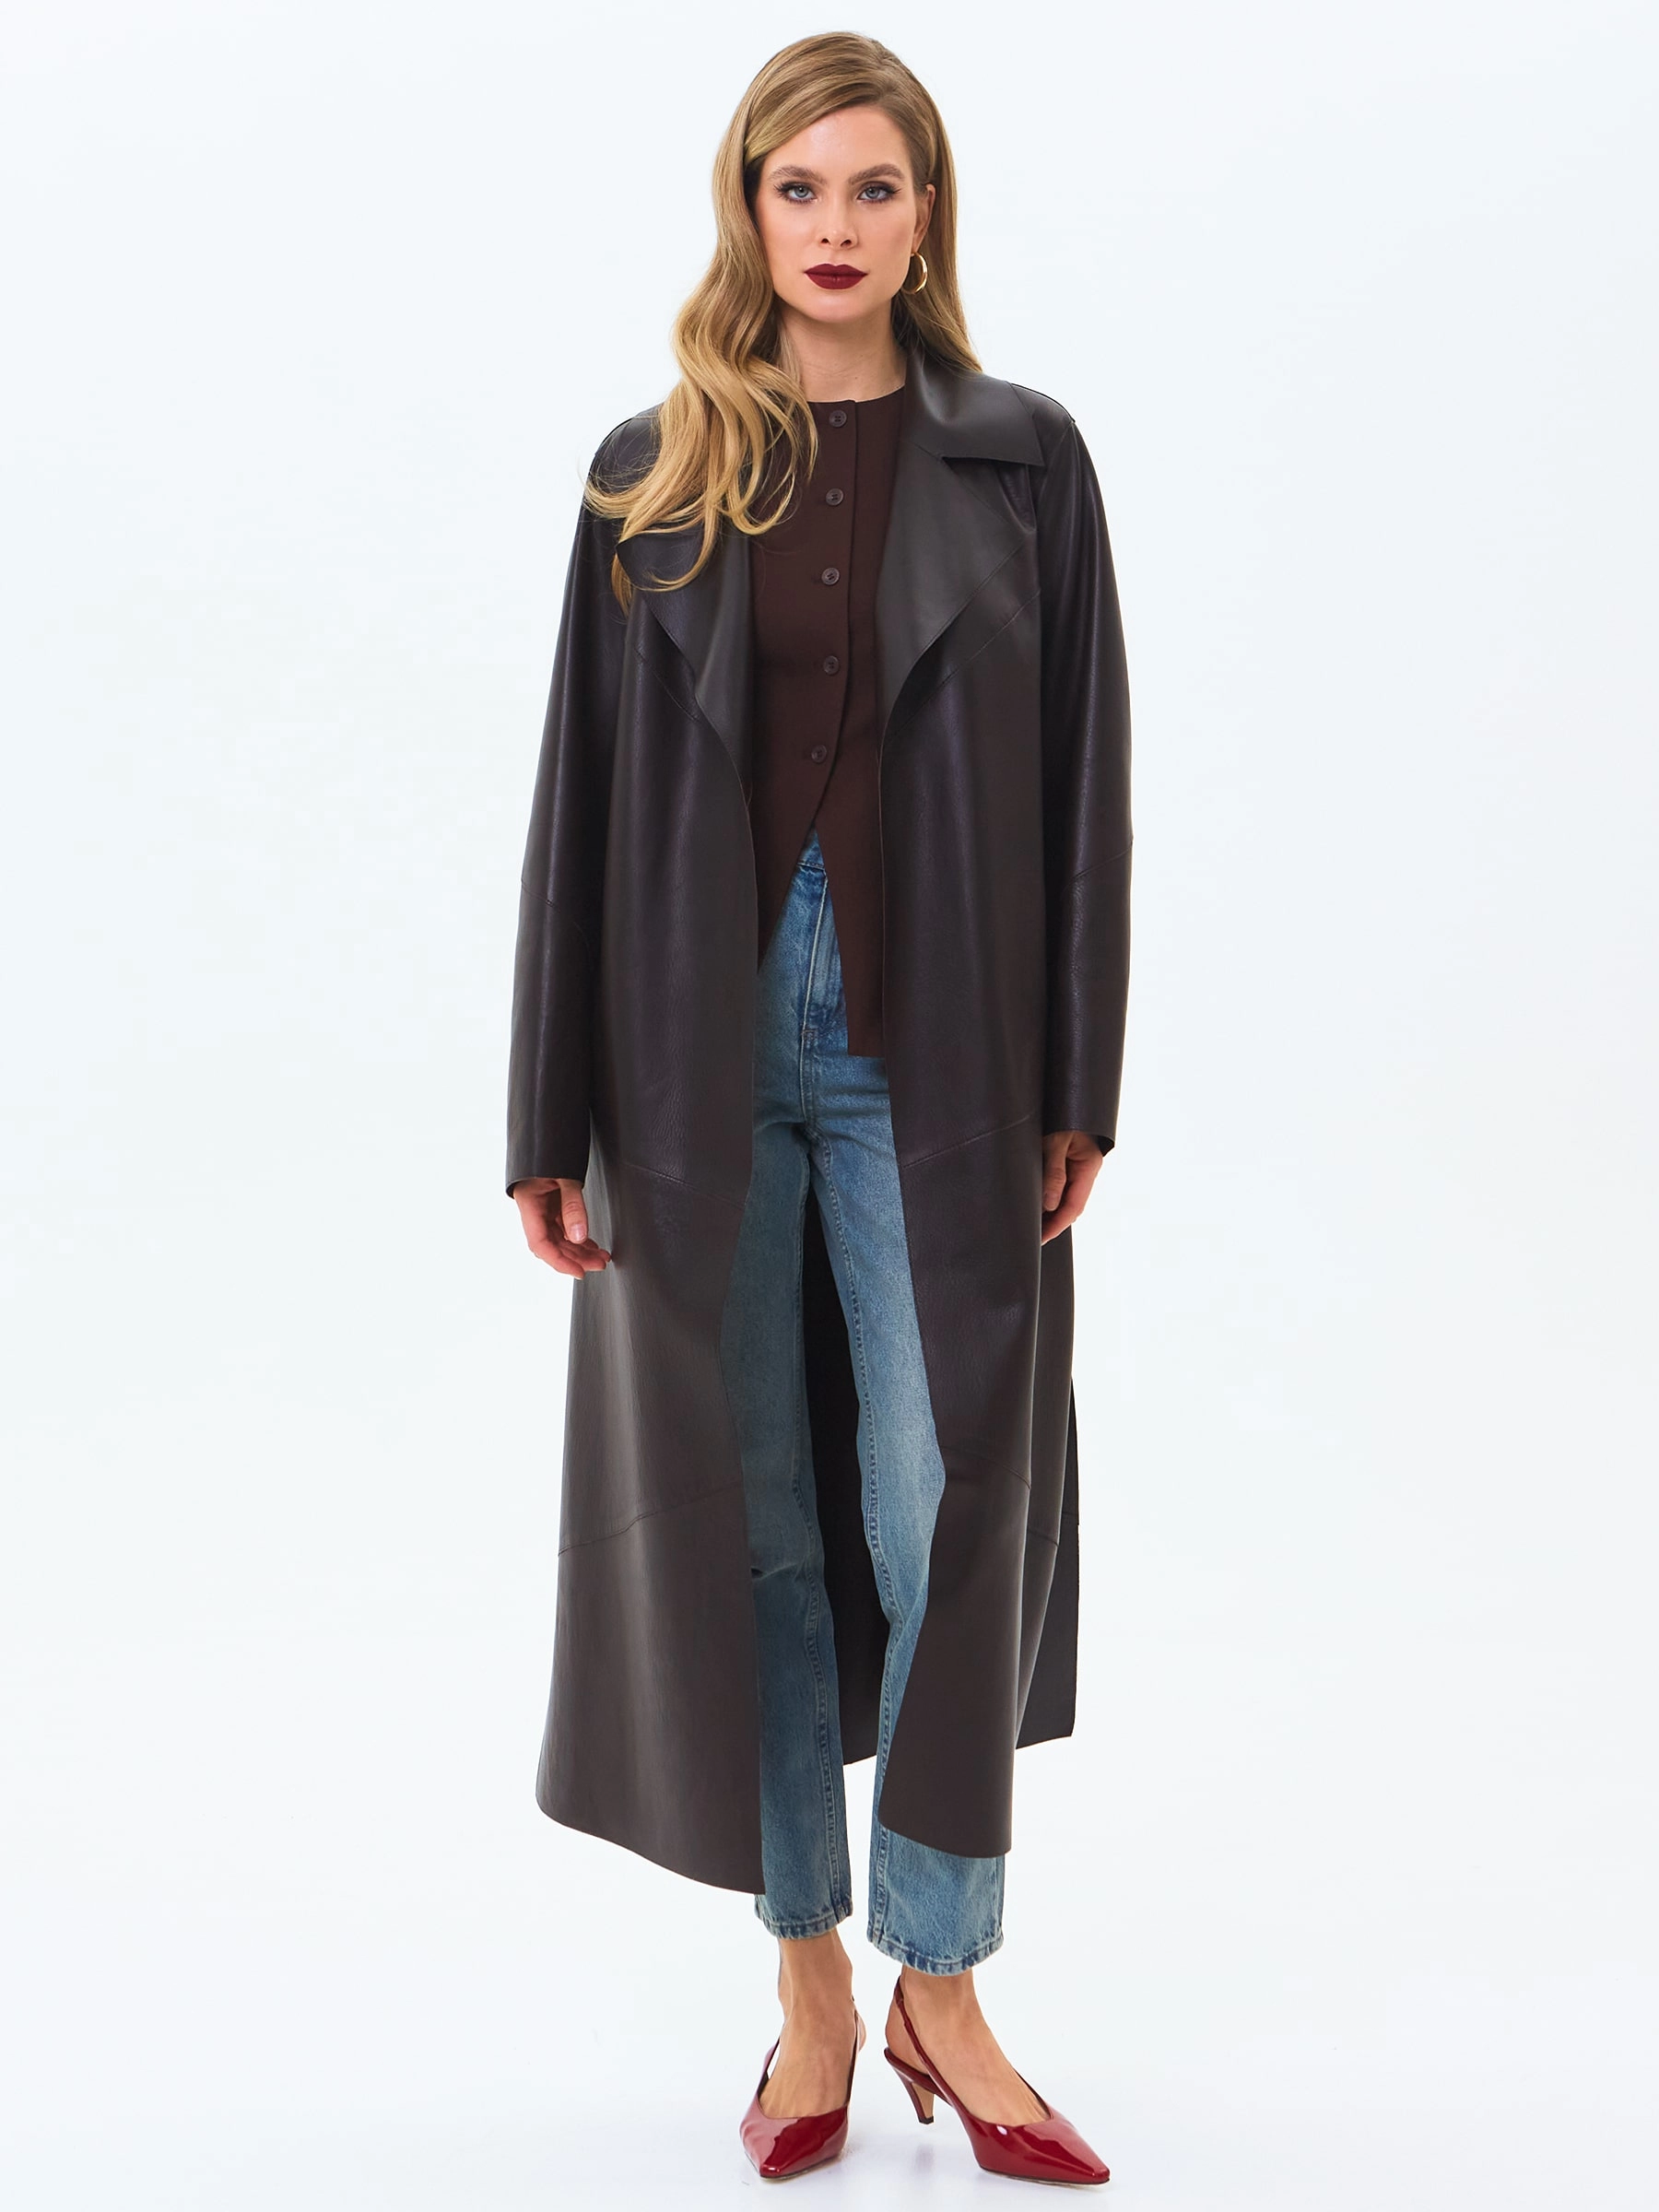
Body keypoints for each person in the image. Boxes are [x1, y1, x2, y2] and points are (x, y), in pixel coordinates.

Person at [506, 31, 1130, 2186]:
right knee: (749, 1520)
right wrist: (545, 1111)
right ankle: (807, 1989)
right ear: (748, 210)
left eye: (876, 187)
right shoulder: (651, 470)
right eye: (801, 188)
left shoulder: (1025, 465)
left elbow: (1086, 784)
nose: (838, 226)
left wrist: (1080, 1074)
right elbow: (577, 809)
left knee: (945, 1500)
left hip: (938, 1054)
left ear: (926, 214)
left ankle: (939, 1978)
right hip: (690, 1065)